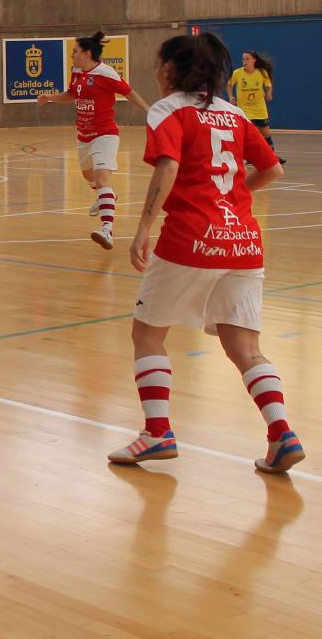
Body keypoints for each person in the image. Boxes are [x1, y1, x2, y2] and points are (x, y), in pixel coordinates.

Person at [110, 33, 303, 474]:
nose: (156, 71)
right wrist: (230, 201)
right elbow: (272, 168)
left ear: (170, 69)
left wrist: (143, 228)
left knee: (148, 333)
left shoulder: (168, 109)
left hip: (190, 238)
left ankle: (157, 433)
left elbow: (169, 165)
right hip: (243, 242)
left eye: (159, 64)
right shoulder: (233, 114)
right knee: (245, 348)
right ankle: (281, 435)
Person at [38, 31, 150, 250]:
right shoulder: (77, 72)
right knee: (90, 177)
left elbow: (129, 93)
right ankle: (106, 195)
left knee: (101, 177)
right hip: (83, 136)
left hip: (105, 134)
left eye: (75, 51)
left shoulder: (106, 73)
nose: (72, 55)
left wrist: (149, 111)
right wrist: (50, 97)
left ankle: (107, 229)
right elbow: (72, 94)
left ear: (87, 53)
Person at [228, 50, 284, 165]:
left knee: (265, 134)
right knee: (245, 134)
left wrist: (269, 93)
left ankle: (273, 157)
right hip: (244, 110)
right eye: (243, 59)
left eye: (247, 59)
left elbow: (269, 85)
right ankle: (246, 157)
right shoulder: (237, 73)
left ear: (254, 60)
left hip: (259, 109)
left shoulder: (262, 72)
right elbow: (229, 84)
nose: (244, 61)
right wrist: (230, 96)